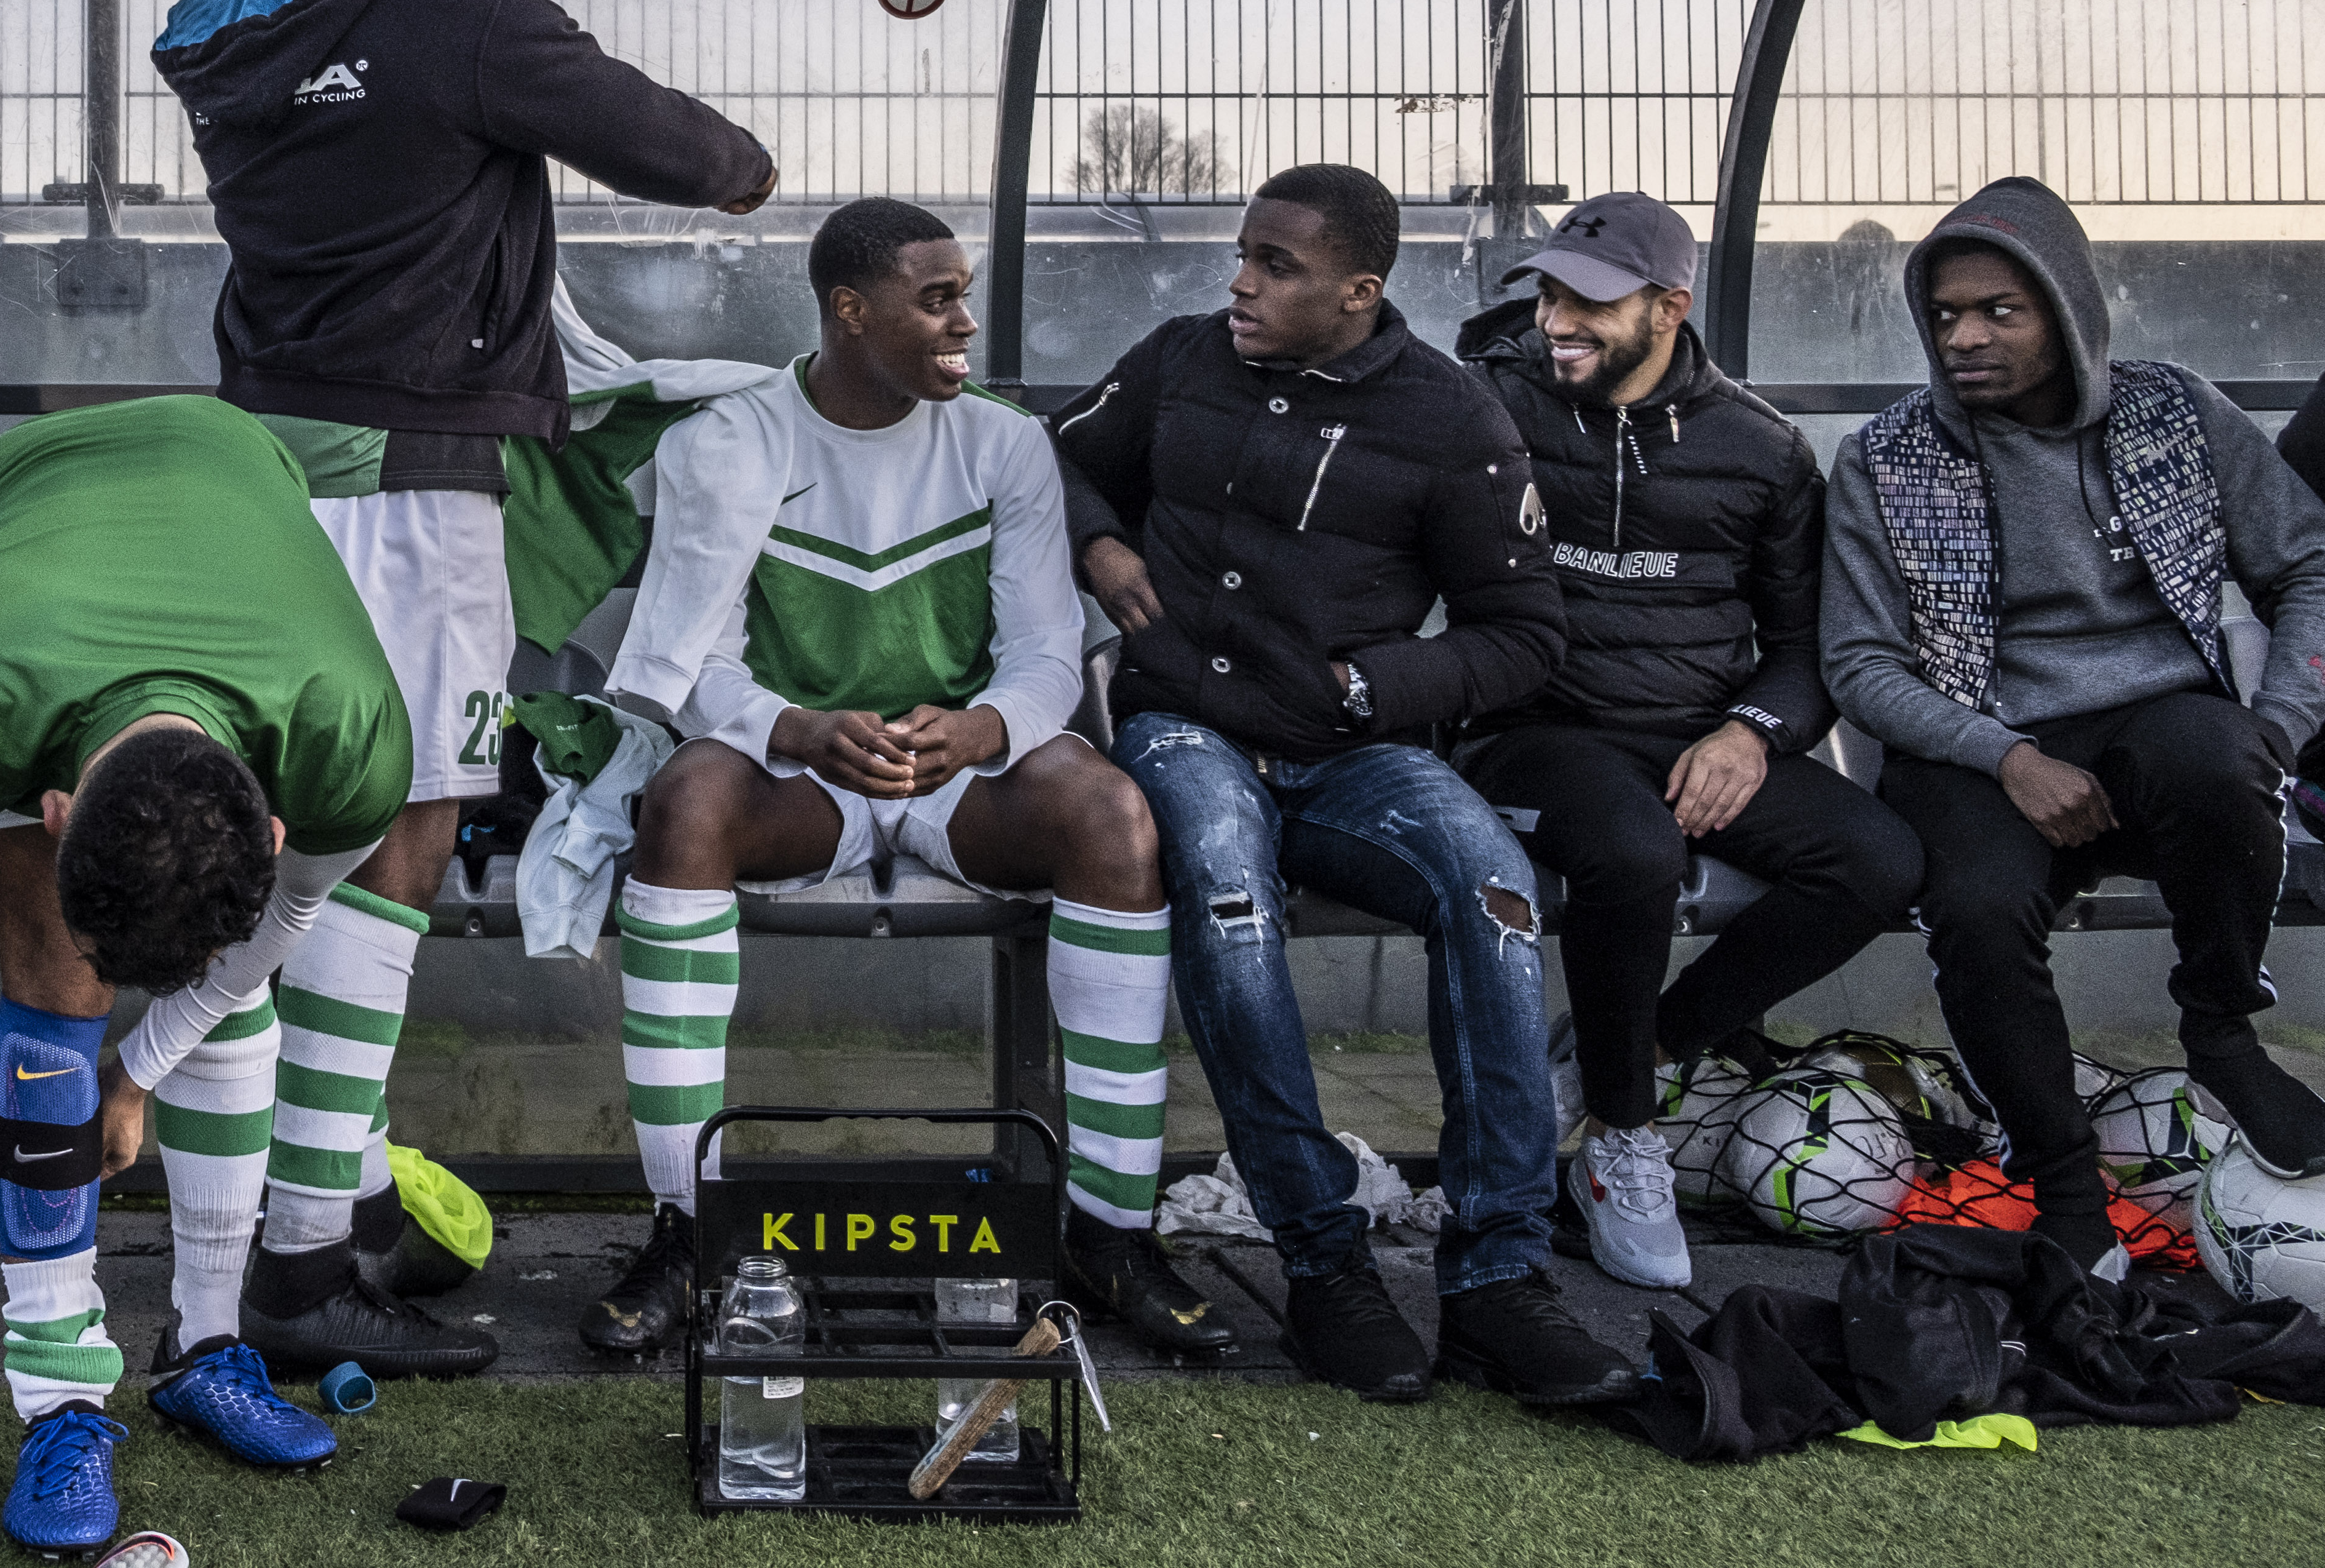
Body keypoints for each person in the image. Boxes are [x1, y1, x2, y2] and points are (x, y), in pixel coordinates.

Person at [148, 0, 776, 1364]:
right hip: (418, 484)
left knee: (295, 831)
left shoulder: (226, 22)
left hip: (269, 480)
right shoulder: (459, 16)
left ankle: (337, 1192)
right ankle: (299, 1274)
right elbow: (697, 154)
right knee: (400, 836)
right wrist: (747, 168)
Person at [573, 199, 1227, 1358]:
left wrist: (982, 729)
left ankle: (1108, 1231)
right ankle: (688, 1228)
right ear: (849, 309)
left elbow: (1041, 653)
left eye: (963, 293)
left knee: (1112, 815)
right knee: (686, 803)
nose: (963, 323)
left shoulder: (1004, 441)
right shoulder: (728, 442)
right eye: (937, 300)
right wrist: (800, 729)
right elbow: (687, 666)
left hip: (956, 770)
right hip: (806, 770)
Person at [1056, 163, 1638, 1410]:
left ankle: (1496, 1279)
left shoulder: (1453, 418)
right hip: (1183, 727)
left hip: (1353, 745)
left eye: (1277, 266)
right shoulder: (1178, 359)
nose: (1241, 285)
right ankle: (1325, 1262)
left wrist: (1371, 688)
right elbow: (1050, 459)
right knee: (1223, 889)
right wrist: (1099, 538)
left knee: (1492, 892)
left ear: (1358, 290)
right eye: (1242, 256)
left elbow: (1523, 632)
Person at [0, 396, 452, 1550]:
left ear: (277, 832)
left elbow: (271, 935)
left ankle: (203, 1346)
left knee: (227, 996)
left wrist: (140, 1074)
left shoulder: (349, 738)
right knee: (49, 973)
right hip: (18, 510)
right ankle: (60, 1400)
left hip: (237, 474)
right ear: (54, 806)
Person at [1822, 177, 2325, 1272]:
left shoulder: (2174, 411)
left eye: (1999, 311)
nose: (1964, 337)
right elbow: (1859, 664)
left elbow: (2309, 564)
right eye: (1946, 314)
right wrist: (2005, 755)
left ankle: (2222, 1028)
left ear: (2067, 310)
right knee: (1979, 904)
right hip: (1972, 739)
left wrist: (2282, 723)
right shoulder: (1888, 456)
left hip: (2150, 729)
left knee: (2221, 756)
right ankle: (2062, 1186)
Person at [1452, 192, 1925, 1291]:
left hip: (1696, 734)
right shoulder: (1486, 407)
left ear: (1670, 308)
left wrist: (1751, 735)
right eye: (1551, 293)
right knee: (1633, 853)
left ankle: (1647, 1048)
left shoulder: (1760, 449)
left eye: (1591, 303)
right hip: (1533, 730)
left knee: (1883, 861)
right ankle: (1623, 1139)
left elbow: (1808, 648)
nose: (1558, 320)